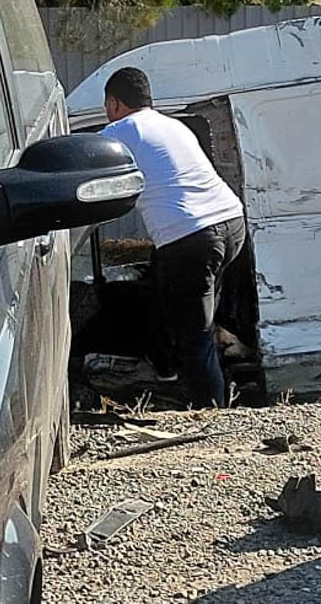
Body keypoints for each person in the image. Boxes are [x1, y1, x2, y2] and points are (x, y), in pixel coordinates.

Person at [101, 66, 246, 408]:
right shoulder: (173, 125)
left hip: (192, 238)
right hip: (231, 222)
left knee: (195, 337)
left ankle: (212, 413)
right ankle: (167, 369)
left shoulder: (120, 131)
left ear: (114, 103)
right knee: (179, 300)